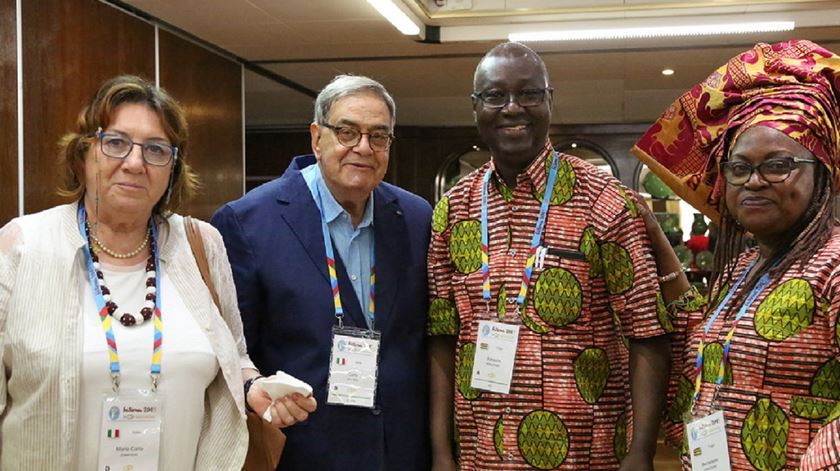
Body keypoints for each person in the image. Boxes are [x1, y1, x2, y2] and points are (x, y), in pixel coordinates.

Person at [0, 75, 314, 470]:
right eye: (115, 143)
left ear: (172, 168)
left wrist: (254, 387)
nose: (135, 163)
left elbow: (236, 353)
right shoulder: (21, 247)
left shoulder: (202, 245)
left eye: (155, 149)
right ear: (82, 156)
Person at [427, 42, 672, 470]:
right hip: (482, 451)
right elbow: (443, 337)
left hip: (585, 453)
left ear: (550, 101)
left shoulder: (605, 200)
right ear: (475, 106)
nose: (512, 108)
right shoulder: (454, 208)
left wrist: (641, 452)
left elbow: (647, 332)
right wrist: (443, 454)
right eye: (495, 96)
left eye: (528, 94)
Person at [632, 39, 840, 470]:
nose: (754, 181)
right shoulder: (747, 265)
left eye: (778, 165)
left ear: (821, 172)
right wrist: (656, 241)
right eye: (739, 168)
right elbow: (702, 342)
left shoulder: (834, 266)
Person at [212, 74, 432, 470]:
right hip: (303, 452)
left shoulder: (416, 219)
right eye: (347, 132)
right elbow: (230, 353)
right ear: (317, 137)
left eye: (378, 137)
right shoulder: (248, 224)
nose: (363, 148)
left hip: (399, 452)